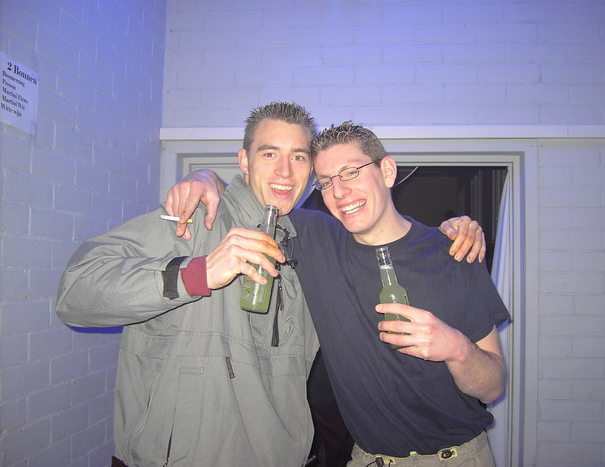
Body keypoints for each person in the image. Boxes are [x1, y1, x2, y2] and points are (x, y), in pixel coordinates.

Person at [166, 122, 510, 466]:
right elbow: (252, 197)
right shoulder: (314, 238)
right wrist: (205, 177)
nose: (340, 192)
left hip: (456, 458)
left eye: (350, 173)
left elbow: (492, 387)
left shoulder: (453, 253)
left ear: (387, 171)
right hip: (367, 459)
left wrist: (455, 348)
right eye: (327, 182)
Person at [56, 102, 321, 467]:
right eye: (270, 153)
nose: (285, 171)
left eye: (298, 157)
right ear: (244, 161)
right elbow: (75, 291)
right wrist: (198, 273)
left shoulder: (306, 244)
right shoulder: (195, 219)